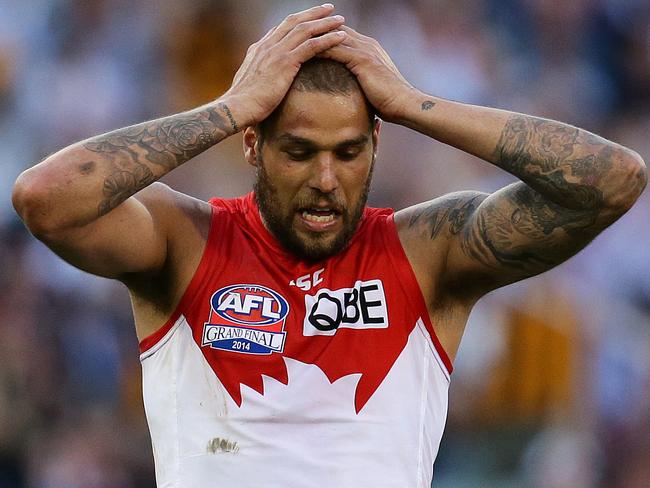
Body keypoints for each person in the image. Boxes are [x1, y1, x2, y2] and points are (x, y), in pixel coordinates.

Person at [12, 4, 647, 487]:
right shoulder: (186, 239)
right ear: (254, 145)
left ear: (376, 142)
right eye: (299, 152)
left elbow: (612, 181)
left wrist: (414, 103)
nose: (325, 179)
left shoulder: (427, 254)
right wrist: (231, 107)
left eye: (348, 152)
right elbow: (46, 199)